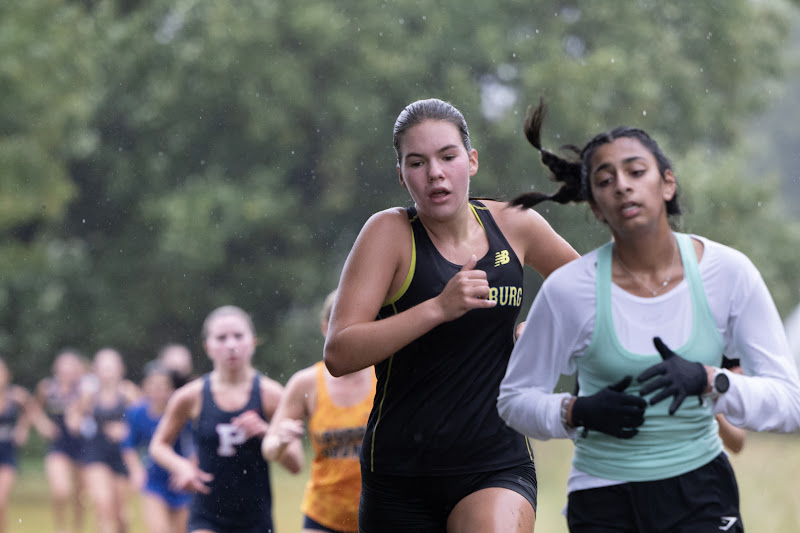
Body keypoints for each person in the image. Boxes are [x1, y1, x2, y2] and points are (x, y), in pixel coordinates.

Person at [496, 100, 800, 532]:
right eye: (605, 180)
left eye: (636, 172)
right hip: (603, 498)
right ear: (597, 207)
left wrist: (711, 381)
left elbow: (790, 402)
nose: (622, 185)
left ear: (667, 184)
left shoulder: (729, 274)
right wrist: (575, 411)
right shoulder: (569, 291)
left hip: (699, 493)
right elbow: (514, 401)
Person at [323, 98, 579, 533]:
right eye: (417, 163)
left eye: (447, 156)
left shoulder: (516, 224)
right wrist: (438, 308)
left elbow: (590, 294)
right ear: (401, 174)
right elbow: (340, 352)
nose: (435, 174)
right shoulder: (388, 234)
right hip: (399, 476)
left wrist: (541, 329)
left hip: (495, 462)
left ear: (471, 160)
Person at [149, 305, 303, 533]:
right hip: (207, 516)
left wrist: (265, 431)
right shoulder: (191, 396)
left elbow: (296, 464)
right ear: (208, 347)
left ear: (252, 341)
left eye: (238, 336)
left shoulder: (271, 394)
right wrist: (181, 466)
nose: (231, 345)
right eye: (221, 338)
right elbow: (158, 445)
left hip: (256, 518)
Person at [263, 289, 377, 533]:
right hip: (324, 517)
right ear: (327, 328)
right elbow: (269, 447)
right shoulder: (306, 383)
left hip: (380, 515)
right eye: (343, 326)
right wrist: (280, 442)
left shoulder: (386, 374)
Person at [72, 348, 140, 533]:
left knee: (120, 515)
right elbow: (74, 419)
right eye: (103, 367)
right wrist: (78, 422)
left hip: (121, 456)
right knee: (103, 505)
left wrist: (126, 429)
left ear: (120, 369)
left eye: (111, 367)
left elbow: (142, 424)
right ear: (96, 370)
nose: (107, 372)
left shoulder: (129, 393)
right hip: (96, 453)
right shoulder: (89, 396)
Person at [122, 361, 193, 533]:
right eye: (153, 385)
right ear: (145, 387)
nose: (158, 391)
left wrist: (189, 468)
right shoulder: (136, 413)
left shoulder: (182, 412)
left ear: (171, 389)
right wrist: (136, 471)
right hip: (153, 480)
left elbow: (196, 444)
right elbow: (128, 444)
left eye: (163, 386)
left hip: (180, 480)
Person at [35, 349, 90, 533]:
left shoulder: (84, 389)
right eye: (63, 366)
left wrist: (80, 417)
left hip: (81, 445)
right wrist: (43, 424)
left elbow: (93, 413)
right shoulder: (47, 387)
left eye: (71, 367)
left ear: (77, 369)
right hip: (58, 445)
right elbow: (35, 408)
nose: (67, 371)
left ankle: (78, 528)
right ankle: (60, 527)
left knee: (80, 495)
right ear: (56, 368)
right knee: (61, 491)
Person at [0, 356, 51, 533]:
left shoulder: (16, 396)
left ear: (8, 375)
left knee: (1, 500)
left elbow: (32, 410)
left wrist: (23, 428)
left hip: (6, 456)